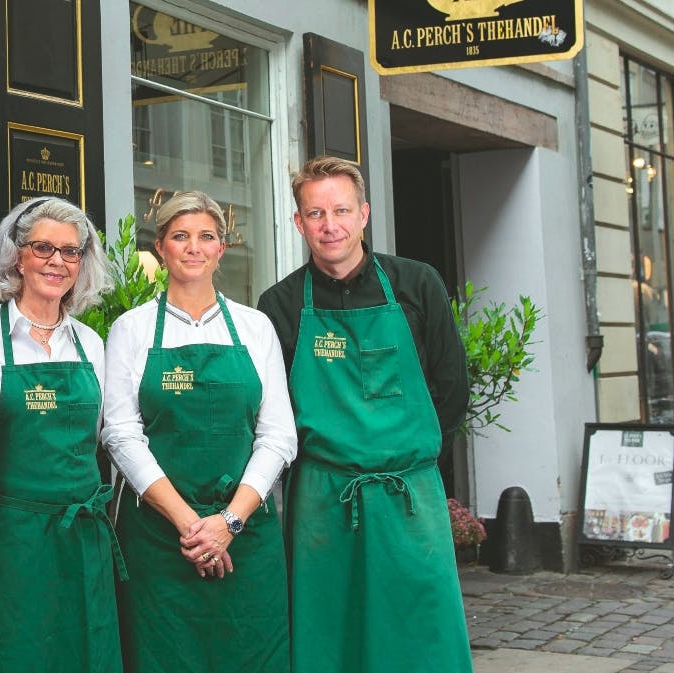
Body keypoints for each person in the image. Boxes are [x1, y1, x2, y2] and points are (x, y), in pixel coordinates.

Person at [255, 155, 472, 673]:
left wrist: (406, 456)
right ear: (298, 222)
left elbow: (451, 387)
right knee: (329, 629)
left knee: (421, 627)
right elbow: (273, 411)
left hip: (409, 493)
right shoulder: (280, 304)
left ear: (364, 214)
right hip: (323, 497)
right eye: (315, 213)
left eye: (341, 211)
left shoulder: (417, 284)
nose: (330, 225)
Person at [102, 191, 296, 672]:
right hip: (158, 537)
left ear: (221, 249)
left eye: (206, 236)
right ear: (160, 247)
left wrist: (228, 522)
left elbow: (278, 436)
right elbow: (121, 434)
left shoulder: (256, 327)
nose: (194, 247)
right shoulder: (131, 329)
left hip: (246, 534)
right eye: (180, 236)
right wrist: (193, 526)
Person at [0, 196, 123, 673]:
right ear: (17, 256)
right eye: (43, 248)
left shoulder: (91, 343)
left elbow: (105, 439)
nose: (58, 261)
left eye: (71, 251)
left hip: (82, 538)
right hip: (10, 540)